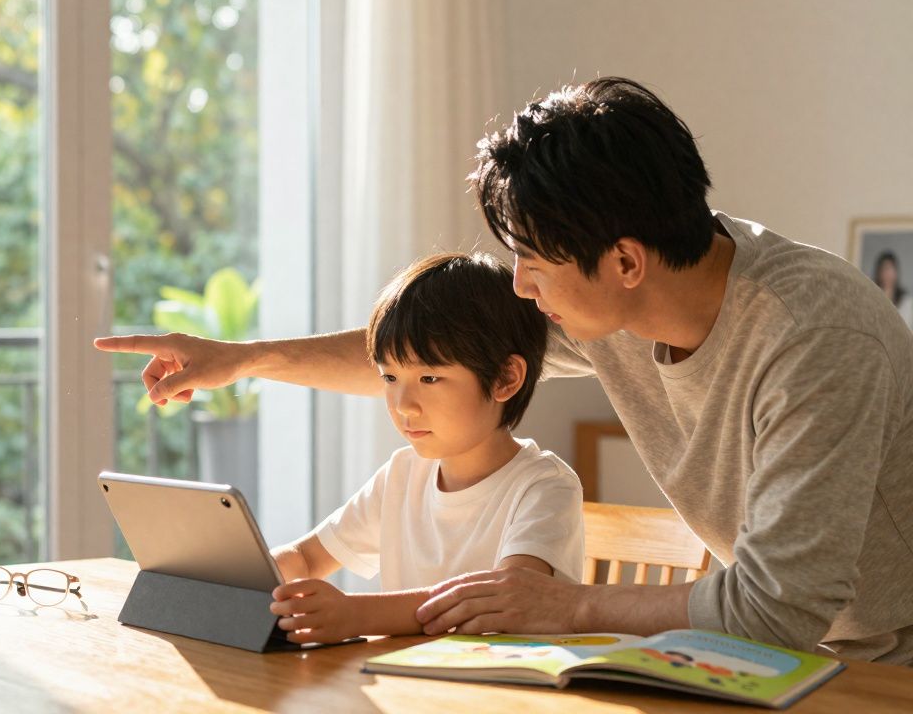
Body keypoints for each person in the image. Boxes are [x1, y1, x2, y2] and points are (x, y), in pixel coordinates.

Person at [95, 77, 913, 664]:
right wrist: (245, 360)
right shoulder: (617, 302)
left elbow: (775, 607)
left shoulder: (814, 339)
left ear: (625, 260)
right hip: (795, 655)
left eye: (532, 263)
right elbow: (443, 353)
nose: (518, 286)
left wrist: (575, 604)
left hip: (885, 657)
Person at [267, 252, 583, 644]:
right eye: (390, 376)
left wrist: (359, 614)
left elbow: (502, 599)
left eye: (429, 377)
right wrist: (241, 575)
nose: (402, 405)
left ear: (505, 378)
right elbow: (308, 558)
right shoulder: (403, 474)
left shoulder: (544, 486)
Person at [872, 250, 913, 329]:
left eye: (890, 269)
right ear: (879, 273)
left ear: (896, 272)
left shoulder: (906, 302)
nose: (887, 274)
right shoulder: (873, 299)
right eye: (884, 269)